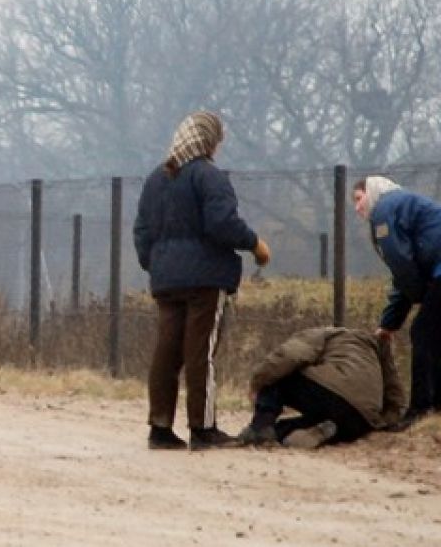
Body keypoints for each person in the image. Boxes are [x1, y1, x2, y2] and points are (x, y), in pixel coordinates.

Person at [133, 110, 271, 451]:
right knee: (200, 353)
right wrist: (255, 244)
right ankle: (204, 428)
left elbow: (141, 232)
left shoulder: (156, 179)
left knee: (166, 353)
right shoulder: (208, 176)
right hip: (206, 280)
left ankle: (160, 429)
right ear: (209, 140)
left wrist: (159, 265)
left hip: (167, 282)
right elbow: (221, 224)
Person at [352, 176, 441, 429]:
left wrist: (419, 298)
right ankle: (435, 406)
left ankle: (420, 409)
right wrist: (389, 323)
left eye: (359, 199)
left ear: (372, 191)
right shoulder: (402, 204)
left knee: (423, 332)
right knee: (434, 333)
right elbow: (406, 271)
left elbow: (401, 265)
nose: (357, 208)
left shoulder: (385, 210)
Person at [238, 327, 406, 448]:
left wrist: (257, 383)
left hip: (330, 392)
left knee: (277, 373)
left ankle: (261, 427)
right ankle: (297, 432)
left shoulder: (325, 334)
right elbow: (395, 394)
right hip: (361, 418)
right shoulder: (378, 349)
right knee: (332, 421)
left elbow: (289, 356)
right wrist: (382, 423)